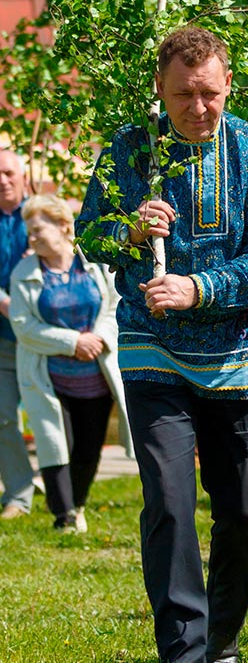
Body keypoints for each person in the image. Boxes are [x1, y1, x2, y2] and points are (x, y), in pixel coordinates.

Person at [76, 26, 248, 663]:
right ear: (160, 89)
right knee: (169, 500)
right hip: (154, 348)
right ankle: (185, 651)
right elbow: (91, 232)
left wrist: (201, 286)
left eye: (209, 93)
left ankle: (223, 636)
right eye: (183, 94)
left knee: (243, 512)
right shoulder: (130, 150)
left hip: (236, 348)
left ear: (228, 83)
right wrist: (128, 227)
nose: (198, 107)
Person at [9, 193, 132, 532]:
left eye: (37, 231)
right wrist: (73, 342)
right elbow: (24, 325)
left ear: (64, 226)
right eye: (29, 232)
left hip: (96, 374)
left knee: (89, 447)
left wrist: (99, 338)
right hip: (50, 377)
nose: (31, 239)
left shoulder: (93, 263)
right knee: (54, 441)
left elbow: (114, 305)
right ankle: (63, 516)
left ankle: (77, 505)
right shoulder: (25, 272)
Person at [0, 148, 34, 520]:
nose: (2, 179)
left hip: (49, 337)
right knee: (5, 417)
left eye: (9, 172)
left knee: (58, 418)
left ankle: (67, 495)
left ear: (22, 176)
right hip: (3, 336)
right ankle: (19, 495)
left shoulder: (43, 216)